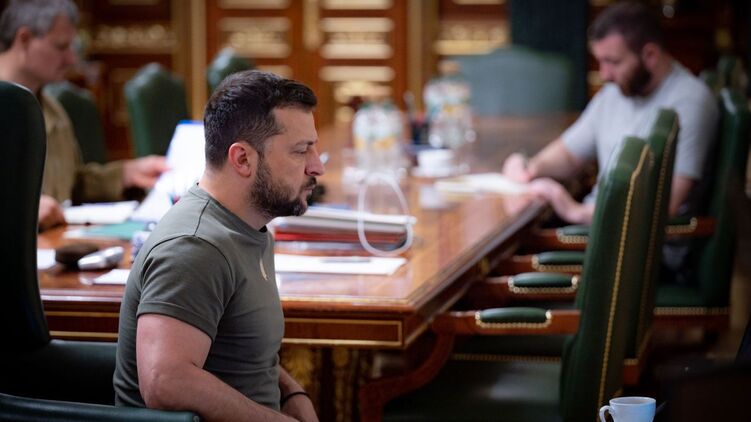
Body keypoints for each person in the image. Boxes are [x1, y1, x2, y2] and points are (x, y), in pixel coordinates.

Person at [114, 70, 323, 421]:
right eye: (301, 151)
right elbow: (165, 381)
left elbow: (241, 349)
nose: (317, 167)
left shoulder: (248, 225)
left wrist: (291, 391)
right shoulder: (195, 248)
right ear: (242, 159)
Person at [503, 1, 718, 227]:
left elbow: (663, 208)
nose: (604, 74)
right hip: (598, 228)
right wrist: (531, 167)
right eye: (600, 61)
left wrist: (573, 210)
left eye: (612, 62)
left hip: (631, 243)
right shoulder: (615, 92)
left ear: (650, 55)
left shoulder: (691, 102)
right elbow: (569, 155)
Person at [0, 0, 168, 231]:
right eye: (61, 46)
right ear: (24, 39)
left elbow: (71, 185)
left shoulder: (53, 111)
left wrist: (125, 174)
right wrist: (20, 210)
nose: (71, 58)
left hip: (57, 242)